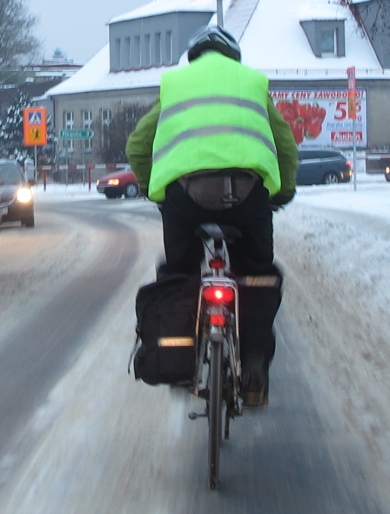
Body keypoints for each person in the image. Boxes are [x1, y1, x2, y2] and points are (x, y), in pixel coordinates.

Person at [125, 25, 299, 408]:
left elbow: (138, 143)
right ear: (233, 58)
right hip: (249, 196)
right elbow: (284, 143)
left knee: (181, 272)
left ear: (194, 56)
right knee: (257, 273)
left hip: (186, 198)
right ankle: (253, 364)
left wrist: (153, 190)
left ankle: (178, 354)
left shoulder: (174, 85)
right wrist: (282, 191)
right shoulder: (252, 82)